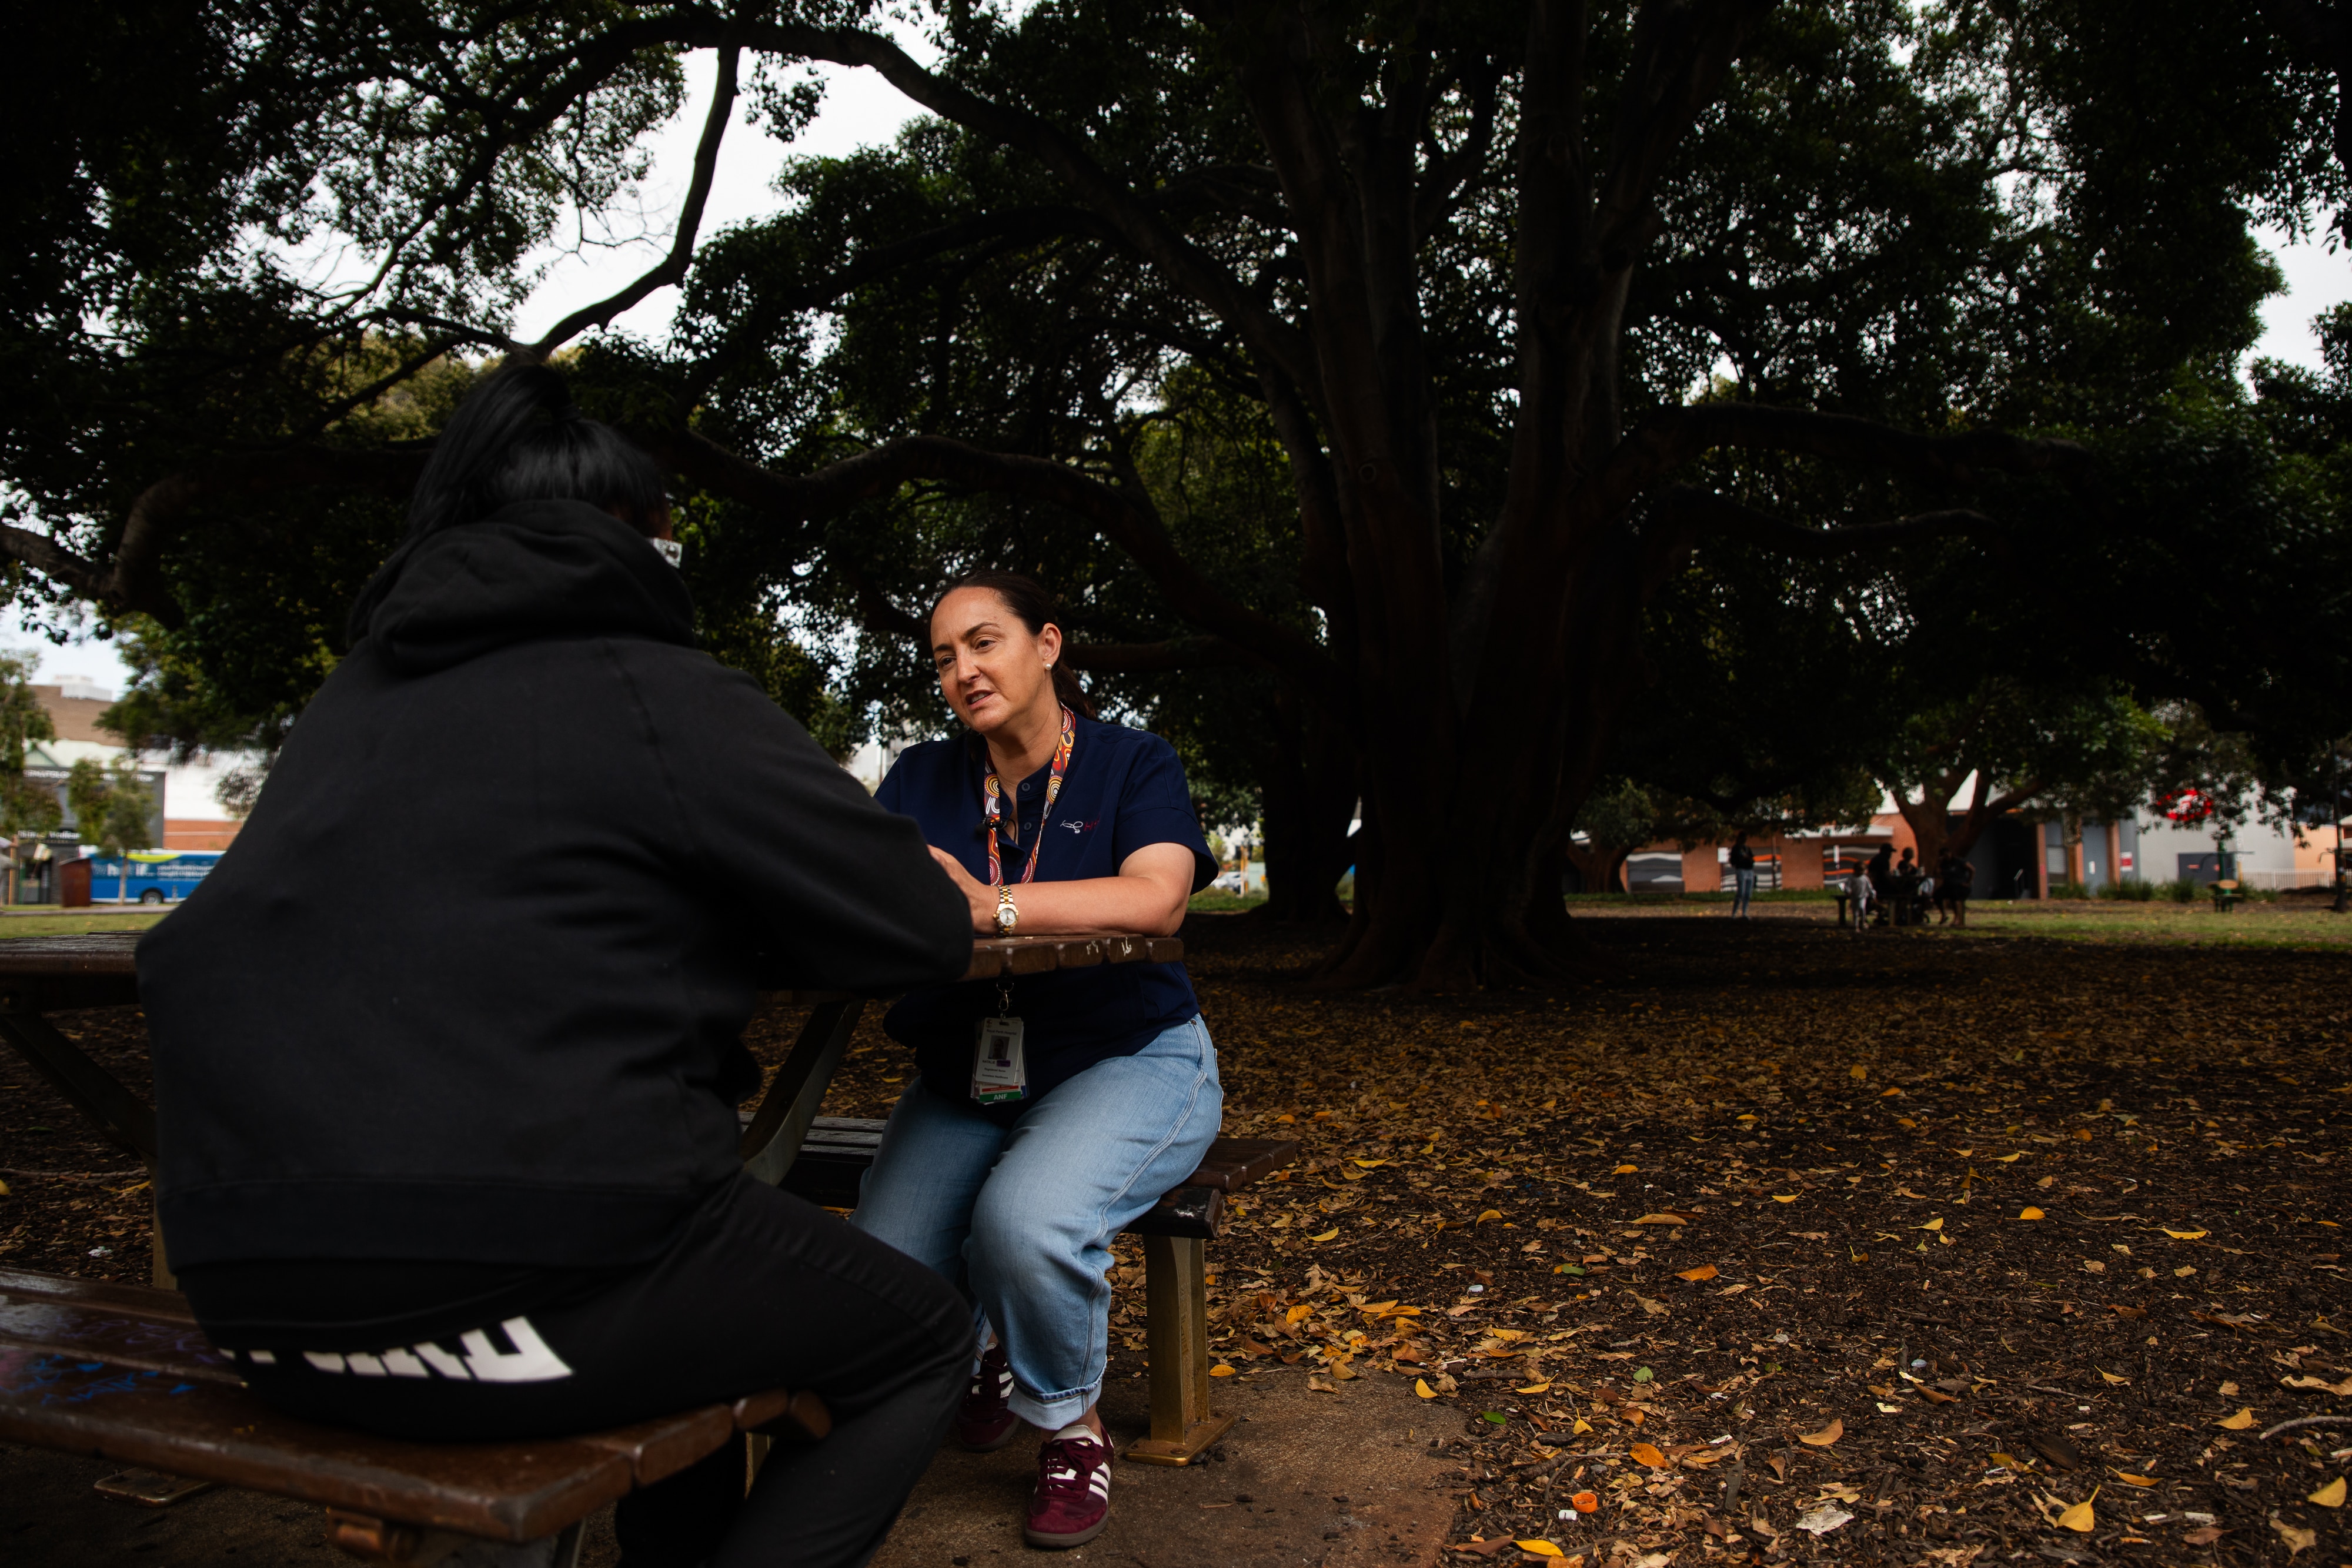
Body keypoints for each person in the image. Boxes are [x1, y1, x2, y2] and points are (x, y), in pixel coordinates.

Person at [138, 363, 978, 1568]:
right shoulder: (652, 687)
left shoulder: (346, 705)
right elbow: (917, 926)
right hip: (534, 1279)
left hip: (254, 1301)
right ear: (633, 535)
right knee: (918, 1338)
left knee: (708, 1320)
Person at [852, 572, 1221, 1550]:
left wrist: (990, 905)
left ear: (1047, 644)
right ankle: (981, 1353)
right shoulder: (920, 780)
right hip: (971, 1067)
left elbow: (1157, 900)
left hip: (1126, 1054)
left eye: (984, 642)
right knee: (883, 1271)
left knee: (1025, 1222)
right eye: (944, 658)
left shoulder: (1132, 763)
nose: (965, 670)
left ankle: (1069, 1424)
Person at [1728, 834, 1757, 919]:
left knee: (1748, 893)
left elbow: (1752, 859)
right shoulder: (1736, 849)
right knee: (1741, 892)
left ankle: (1744, 913)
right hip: (1741, 870)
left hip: (1749, 870)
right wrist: (1742, 859)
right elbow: (1733, 860)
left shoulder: (1747, 849)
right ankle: (1734, 914)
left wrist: (1749, 859)